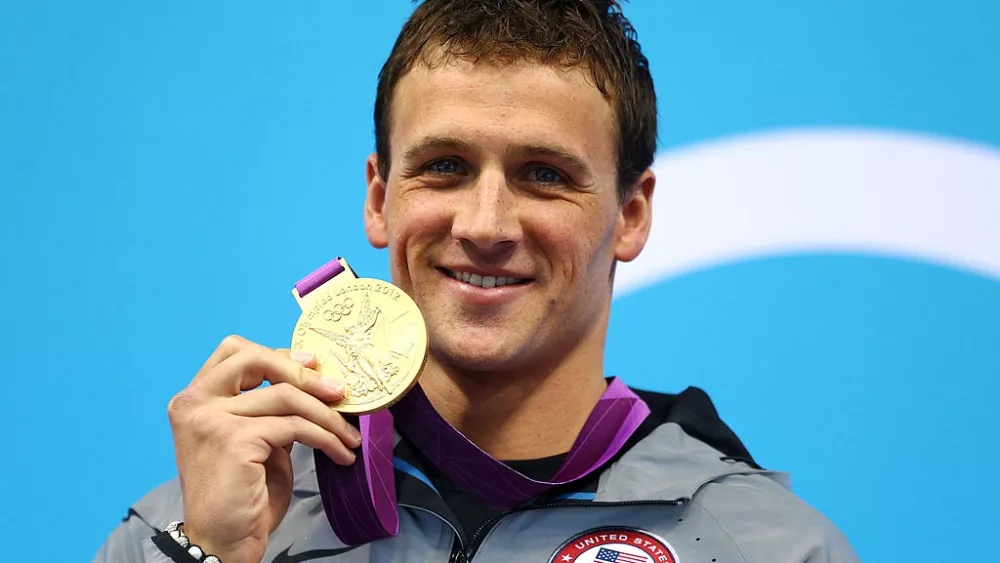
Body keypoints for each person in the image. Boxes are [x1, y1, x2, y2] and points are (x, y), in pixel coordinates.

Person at [94, 1, 859, 562]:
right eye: (446, 167)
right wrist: (207, 558)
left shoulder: (771, 546)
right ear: (379, 197)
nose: (486, 224)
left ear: (630, 214)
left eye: (543, 174)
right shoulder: (192, 526)